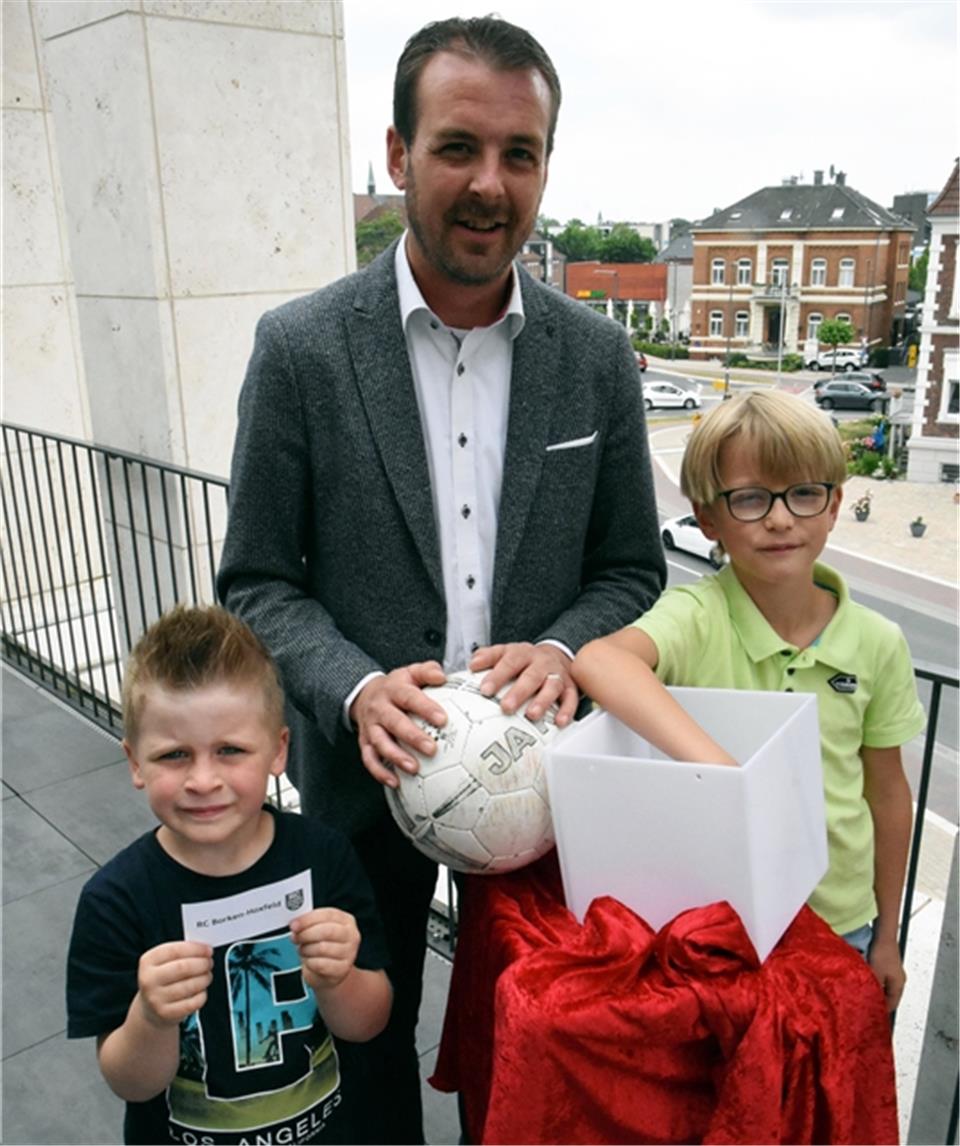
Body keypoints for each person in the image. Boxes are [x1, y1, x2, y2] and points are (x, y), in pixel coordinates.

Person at [216, 14, 664, 1142]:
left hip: (546, 789)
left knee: (535, 1051)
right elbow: (258, 582)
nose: (489, 183)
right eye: (459, 146)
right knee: (366, 1043)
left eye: (520, 154)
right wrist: (359, 690)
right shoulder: (302, 349)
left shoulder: (599, 357)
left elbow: (631, 568)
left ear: (547, 166)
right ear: (398, 155)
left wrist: (561, 651)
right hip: (368, 783)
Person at [573, 390, 925, 1011]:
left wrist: (888, 936)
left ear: (835, 505)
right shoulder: (697, 614)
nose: (781, 519)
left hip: (841, 920)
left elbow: (887, 794)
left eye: (804, 493)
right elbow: (600, 659)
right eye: (751, 498)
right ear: (709, 519)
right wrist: (729, 774)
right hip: (721, 921)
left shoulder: (878, 642)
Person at [66, 606, 392, 1145]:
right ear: (135, 763)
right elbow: (129, 1082)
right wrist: (150, 1015)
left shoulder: (324, 855)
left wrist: (341, 978)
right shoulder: (114, 901)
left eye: (229, 750)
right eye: (174, 755)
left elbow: (369, 1023)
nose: (202, 779)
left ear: (278, 750)